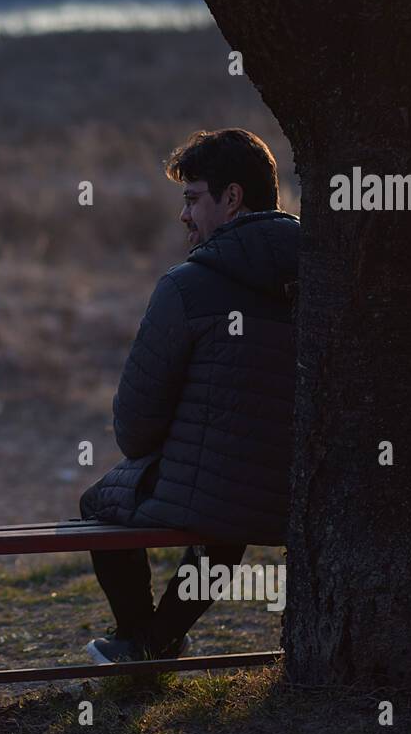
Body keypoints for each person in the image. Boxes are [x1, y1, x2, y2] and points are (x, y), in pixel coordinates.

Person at [81, 128, 300, 664]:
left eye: (192, 198)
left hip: (230, 498)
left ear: (232, 197)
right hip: (298, 492)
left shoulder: (186, 287)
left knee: (98, 506)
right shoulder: (322, 274)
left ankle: (143, 640)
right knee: (226, 510)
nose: (184, 215)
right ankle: (156, 641)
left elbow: (134, 428)